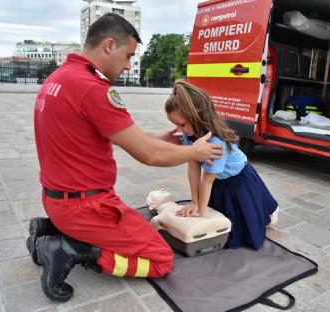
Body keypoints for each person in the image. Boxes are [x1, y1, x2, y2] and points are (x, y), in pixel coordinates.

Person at [29, 13, 223, 302]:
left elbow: (110, 134)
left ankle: (51, 228)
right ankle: (71, 249)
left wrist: (159, 139)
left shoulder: (59, 78)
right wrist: (194, 152)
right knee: (160, 260)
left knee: (137, 231)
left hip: (57, 199)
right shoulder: (93, 88)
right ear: (109, 45)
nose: (129, 64)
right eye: (129, 55)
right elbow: (149, 155)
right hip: (88, 207)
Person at [165, 80, 280, 250]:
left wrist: (200, 212)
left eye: (181, 124)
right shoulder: (189, 135)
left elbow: (207, 180)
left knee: (243, 228)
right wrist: (195, 202)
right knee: (221, 216)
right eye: (175, 125)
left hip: (239, 181)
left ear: (197, 114)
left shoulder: (216, 143)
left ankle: (269, 213)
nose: (179, 130)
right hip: (219, 181)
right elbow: (193, 167)